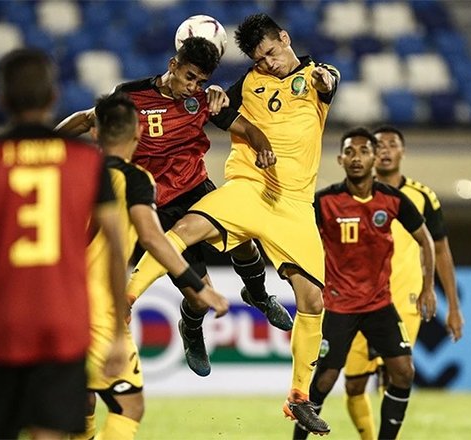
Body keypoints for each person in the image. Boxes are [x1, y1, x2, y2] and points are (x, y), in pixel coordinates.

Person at [126, 14, 340, 435]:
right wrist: (221, 94)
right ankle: (128, 295)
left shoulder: (316, 77)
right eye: (259, 59)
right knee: (188, 230)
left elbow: (328, 79)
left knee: (313, 300)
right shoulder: (248, 83)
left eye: (272, 54)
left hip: (294, 204)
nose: (267, 64)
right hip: (247, 188)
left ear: (286, 38)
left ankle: (299, 398)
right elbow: (215, 102)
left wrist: (326, 79)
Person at [0, 48, 129, 440]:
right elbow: (116, 248)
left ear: (1, 99)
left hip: (5, 323)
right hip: (63, 321)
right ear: (53, 97)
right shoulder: (86, 161)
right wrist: (117, 329)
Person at [57, 36, 292, 378]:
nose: (194, 86)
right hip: (156, 204)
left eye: (201, 81)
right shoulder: (131, 94)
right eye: (190, 77)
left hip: (197, 190)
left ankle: (259, 294)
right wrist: (42, 140)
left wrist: (263, 148)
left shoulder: (204, 100)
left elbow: (248, 129)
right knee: (200, 296)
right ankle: (191, 328)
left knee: (243, 239)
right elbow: (84, 119)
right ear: (173, 66)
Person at [74, 92, 230, 440]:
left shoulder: (67, 172)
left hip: (47, 299)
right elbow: (154, 238)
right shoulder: (136, 179)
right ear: (138, 135)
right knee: (128, 406)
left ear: (95, 133)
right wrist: (200, 287)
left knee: (67, 398)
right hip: (96, 307)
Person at [293, 128, 437, 440]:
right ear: (340, 159)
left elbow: (426, 240)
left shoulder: (392, 200)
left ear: (373, 158)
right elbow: (297, 238)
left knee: (404, 371)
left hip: (379, 305)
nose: (356, 157)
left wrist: (428, 287)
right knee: (326, 380)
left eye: (363, 151)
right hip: (340, 306)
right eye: (350, 152)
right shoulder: (326, 202)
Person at [340, 125, 465, 439]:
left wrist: (453, 307)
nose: (385, 149)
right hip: (358, 301)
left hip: (404, 301)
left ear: (402, 151)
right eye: (378, 145)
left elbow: (440, 249)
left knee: (394, 374)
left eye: (392, 144)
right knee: (354, 384)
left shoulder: (422, 196)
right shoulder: (349, 194)